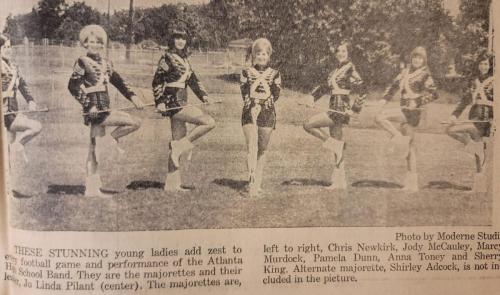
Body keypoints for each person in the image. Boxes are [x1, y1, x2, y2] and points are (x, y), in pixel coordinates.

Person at [68, 25, 145, 197]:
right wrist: (89, 106)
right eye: (91, 42)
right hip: (94, 112)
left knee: (95, 149)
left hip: (105, 109)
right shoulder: (82, 62)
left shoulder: (106, 63)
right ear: (85, 44)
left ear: (102, 45)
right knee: (131, 123)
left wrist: (134, 97)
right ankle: (92, 188)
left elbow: (119, 82)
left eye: (98, 42)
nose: (95, 45)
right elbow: (72, 86)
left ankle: (92, 188)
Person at [152, 26, 216, 191]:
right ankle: (180, 146)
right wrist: (159, 101)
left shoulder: (186, 60)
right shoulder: (167, 58)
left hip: (183, 100)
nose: (180, 41)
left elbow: (193, 81)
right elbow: (157, 81)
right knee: (208, 122)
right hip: (173, 103)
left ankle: (172, 184)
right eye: (177, 38)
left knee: (177, 140)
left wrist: (205, 97)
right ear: (172, 40)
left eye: (183, 38)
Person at [303, 43, 366, 190]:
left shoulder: (351, 69)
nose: (340, 53)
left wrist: (355, 109)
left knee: (308, 124)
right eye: (338, 51)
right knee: (336, 147)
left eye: (343, 51)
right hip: (333, 107)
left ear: (348, 53)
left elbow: (363, 89)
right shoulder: (334, 71)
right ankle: (339, 181)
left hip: (340, 110)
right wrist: (312, 98)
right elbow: (324, 87)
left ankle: (335, 146)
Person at [375, 46, 438, 192]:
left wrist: (419, 100)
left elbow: (434, 93)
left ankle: (397, 137)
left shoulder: (425, 74)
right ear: (412, 58)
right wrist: (383, 100)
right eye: (415, 57)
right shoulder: (404, 72)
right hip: (404, 109)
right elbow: (392, 88)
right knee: (409, 148)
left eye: (420, 57)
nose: (417, 59)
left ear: (424, 60)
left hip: (413, 112)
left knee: (380, 117)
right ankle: (412, 183)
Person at [446, 53, 494, 192]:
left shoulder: (495, 80)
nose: (483, 66)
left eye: (486, 64)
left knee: (452, 131)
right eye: (481, 63)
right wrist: (454, 115)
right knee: (478, 153)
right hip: (473, 116)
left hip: (485, 120)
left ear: (490, 65)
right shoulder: (474, 81)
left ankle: (471, 145)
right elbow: (465, 100)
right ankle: (479, 185)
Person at [240, 38, 282, 197]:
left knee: (262, 149)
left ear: (269, 56)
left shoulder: (276, 74)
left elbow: (276, 94)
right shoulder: (245, 72)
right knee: (251, 146)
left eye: (265, 53)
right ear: (253, 55)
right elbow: (244, 92)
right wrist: (253, 104)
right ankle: (251, 183)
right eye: (258, 53)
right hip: (249, 111)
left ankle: (258, 182)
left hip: (268, 113)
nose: (262, 56)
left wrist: (264, 104)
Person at [1, 34, 42, 163]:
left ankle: (15, 146)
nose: (8, 49)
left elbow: (23, 85)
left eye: (9, 46)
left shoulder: (14, 67)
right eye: (5, 47)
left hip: (12, 113)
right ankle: (17, 145)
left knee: (7, 156)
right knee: (35, 126)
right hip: (5, 114)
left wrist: (30, 100)